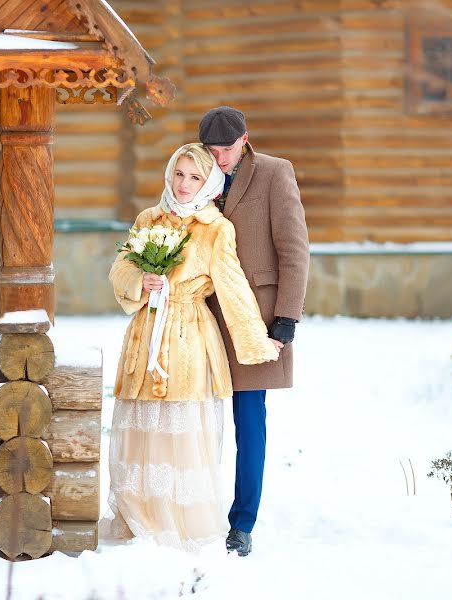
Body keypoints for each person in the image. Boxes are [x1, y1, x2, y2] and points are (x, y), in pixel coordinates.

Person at [104, 143, 282, 551]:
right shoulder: (149, 218)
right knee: (142, 425)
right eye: (179, 174)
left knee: (179, 429)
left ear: (209, 183)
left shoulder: (216, 228)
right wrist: (139, 282)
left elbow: (233, 288)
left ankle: (179, 519)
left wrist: (257, 343)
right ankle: (139, 514)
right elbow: (121, 268)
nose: (184, 184)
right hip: (146, 331)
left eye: (195, 177)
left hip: (187, 334)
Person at [199, 106, 310, 557]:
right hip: (202, 318)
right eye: (212, 150)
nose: (219, 158)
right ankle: (192, 513)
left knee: (250, 422)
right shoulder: (197, 173)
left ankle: (242, 523)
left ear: (245, 139)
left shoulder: (275, 173)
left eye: (225, 149)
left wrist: (286, 319)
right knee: (196, 422)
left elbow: (295, 250)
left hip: (255, 321)